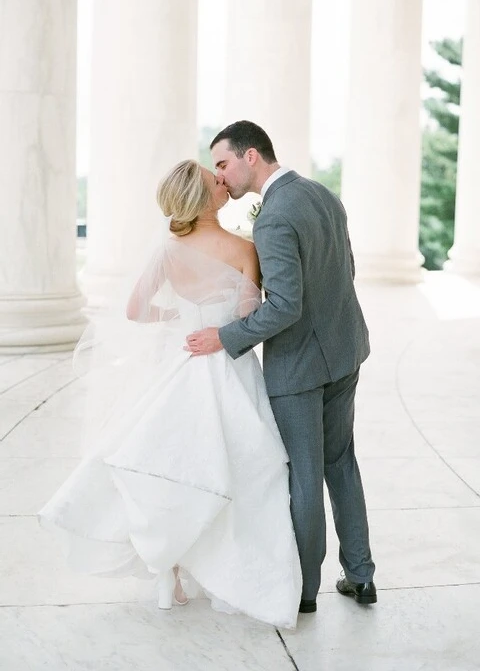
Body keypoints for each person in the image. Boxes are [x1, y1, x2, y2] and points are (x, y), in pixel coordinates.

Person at [38, 160, 302, 629]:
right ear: (202, 199)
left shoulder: (167, 248)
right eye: (214, 179)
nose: (222, 181)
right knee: (241, 466)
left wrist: (182, 323)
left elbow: (136, 310)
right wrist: (215, 330)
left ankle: (171, 573)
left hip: (181, 363)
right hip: (227, 369)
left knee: (174, 465)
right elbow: (247, 322)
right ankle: (226, 576)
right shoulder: (243, 248)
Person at [186, 121, 376, 612]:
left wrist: (224, 336)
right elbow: (345, 271)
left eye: (223, 163)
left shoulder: (272, 217)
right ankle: (361, 574)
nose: (220, 177)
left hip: (300, 367)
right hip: (346, 349)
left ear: (252, 156)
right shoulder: (322, 195)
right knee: (341, 463)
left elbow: (285, 305)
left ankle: (305, 591)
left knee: (305, 474)